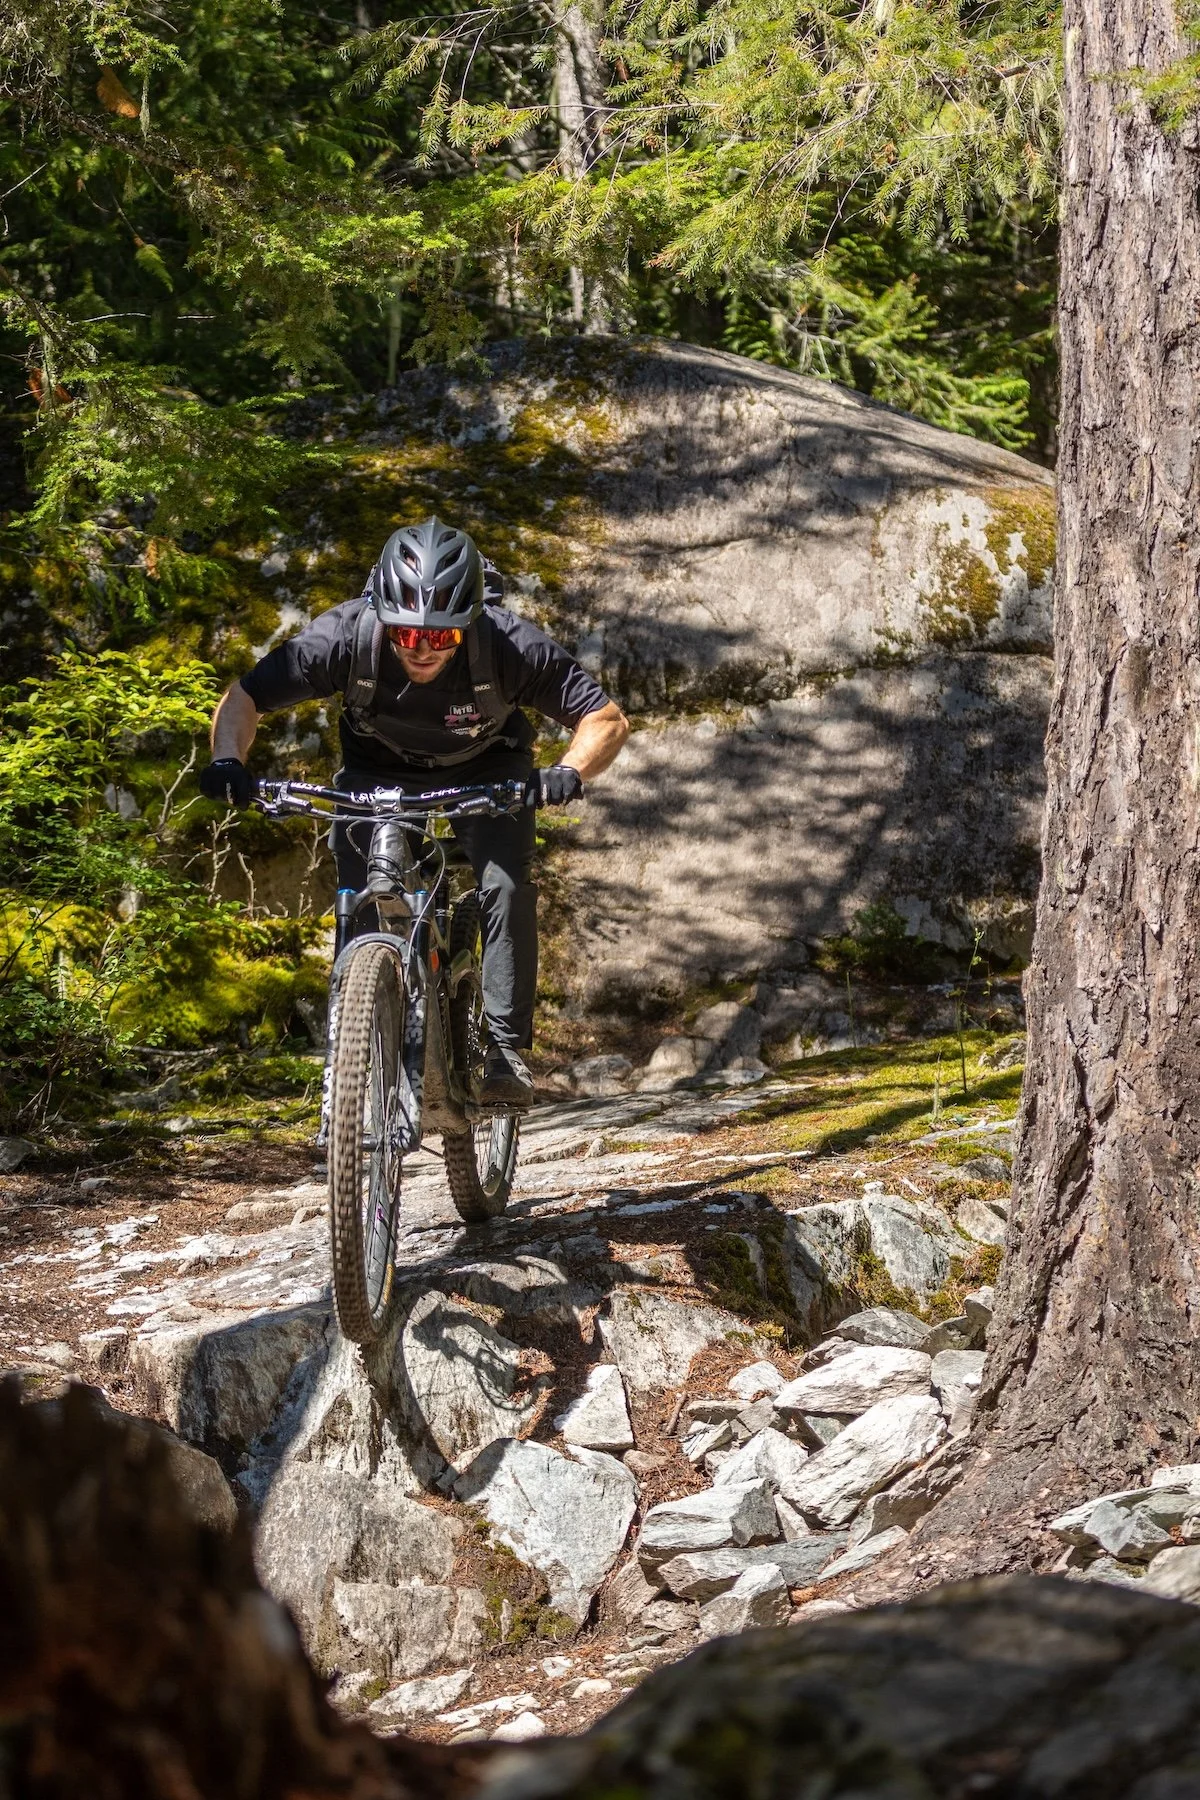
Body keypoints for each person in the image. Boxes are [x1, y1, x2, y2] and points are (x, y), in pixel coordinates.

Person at [198, 516, 629, 1108]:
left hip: (489, 769)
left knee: (504, 885)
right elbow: (244, 696)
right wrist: (227, 761)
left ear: (469, 623)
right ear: (382, 618)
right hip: (378, 773)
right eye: (405, 635)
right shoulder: (344, 637)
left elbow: (603, 719)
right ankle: (356, 1042)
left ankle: (503, 1049)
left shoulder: (508, 645)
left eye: (442, 637)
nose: (422, 648)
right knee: (360, 899)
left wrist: (568, 771)